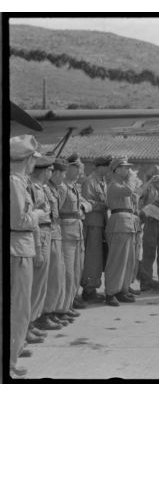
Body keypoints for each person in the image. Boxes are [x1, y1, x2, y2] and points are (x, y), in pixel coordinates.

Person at [9, 135, 51, 378]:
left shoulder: (18, 181)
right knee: (19, 309)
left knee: (19, 308)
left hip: (19, 248)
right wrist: (38, 215)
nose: (35, 163)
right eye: (33, 159)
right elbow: (19, 220)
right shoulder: (15, 182)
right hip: (18, 250)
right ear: (25, 159)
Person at [28, 155, 63, 335]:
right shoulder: (32, 188)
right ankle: (27, 325)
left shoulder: (41, 187)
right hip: (39, 233)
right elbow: (33, 219)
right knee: (35, 283)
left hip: (47, 232)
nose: (52, 172)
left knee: (41, 283)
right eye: (50, 169)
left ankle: (33, 321)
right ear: (43, 170)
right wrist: (37, 248)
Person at [59, 154, 92, 312]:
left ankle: (71, 301)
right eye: (78, 167)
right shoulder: (63, 187)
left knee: (77, 269)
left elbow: (86, 203)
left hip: (77, 232)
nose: (80, 171)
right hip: (66, 234)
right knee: (67, 272)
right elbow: (55, 213)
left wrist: (83, 208)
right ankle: (64, 305)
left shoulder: (74, 187)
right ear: (69, 167)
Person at [104, 156, 138, 306]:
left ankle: (122, 289)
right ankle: (111, 291)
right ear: (116, 169)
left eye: (128, 168)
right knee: (117, 260)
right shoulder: (113, 185)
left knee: (127, 259)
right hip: (119, 222)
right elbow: (130, 190)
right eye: (124, 167)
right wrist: (131, 177)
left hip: (128, 223)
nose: (127, 170)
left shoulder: (122, 183)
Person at [45, 158, 76, 324]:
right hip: (48, 235)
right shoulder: (46, 189)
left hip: (56, 233)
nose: (64, 177)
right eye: (63, 173)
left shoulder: (54, 189)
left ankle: (51, 312)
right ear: (55, 173)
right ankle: (45, 314)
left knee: (57, 276)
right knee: (51, 277)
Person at [80, 155, 111, 302]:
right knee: (92, 258)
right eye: (107, 166)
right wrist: (103, 205)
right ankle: (88, 289)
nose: (108, 169)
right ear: (100, 167)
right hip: (92, 224)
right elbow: (86, 203)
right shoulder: (89, 181)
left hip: (100, 224)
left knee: (98, 258)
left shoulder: (102, 182)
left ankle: (93, 286)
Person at [138, 165, 159, 290]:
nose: (158, 178)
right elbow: (139, 197)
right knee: (149, 252)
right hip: (150, 223)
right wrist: (148, 183)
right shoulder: (147, 188)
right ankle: (146, 282)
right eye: (155, 176)